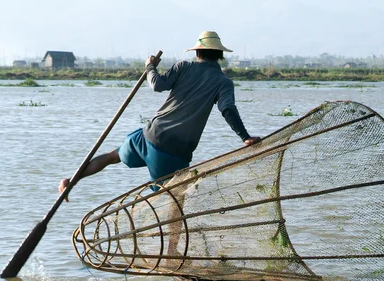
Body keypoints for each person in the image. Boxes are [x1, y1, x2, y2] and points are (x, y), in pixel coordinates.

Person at [59, 31, 260, 199]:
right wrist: (245, 137)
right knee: (176, 203)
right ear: (219, 55)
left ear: (197, 51)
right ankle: (173, 248)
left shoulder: (184, 66)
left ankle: (71, 181)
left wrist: (150, 66)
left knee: (112, 156)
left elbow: (157, 85)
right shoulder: (223, 82)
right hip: (172, 152)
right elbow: (228, 109)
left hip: (148, 135)